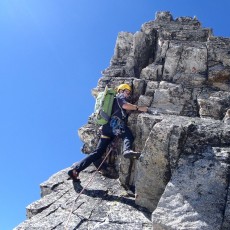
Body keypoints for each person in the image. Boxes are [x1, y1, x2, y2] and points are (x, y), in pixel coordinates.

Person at [68, 83, 148, 181]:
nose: (128, 94)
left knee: (97, 152)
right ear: (121, 90)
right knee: (128, 135)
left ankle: (76, 170)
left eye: (129, 92)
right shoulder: (120, 97)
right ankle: (127, 150)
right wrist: (139, 108)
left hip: (106, 129)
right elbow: (125, 106)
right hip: (115, 125)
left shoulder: (112, 101)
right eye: (127, 91)